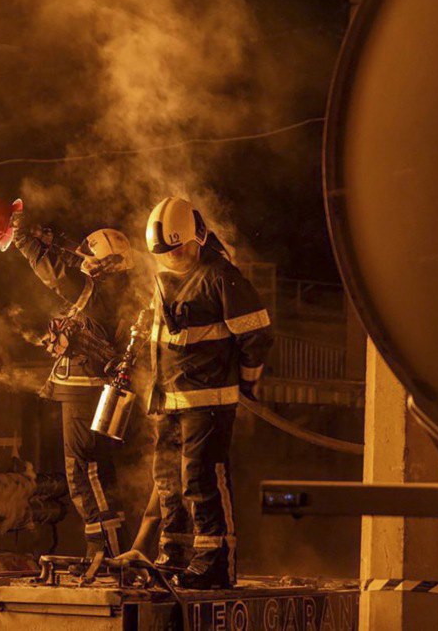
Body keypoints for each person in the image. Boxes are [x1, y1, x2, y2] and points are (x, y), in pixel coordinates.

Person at [143, 197, 273, 589]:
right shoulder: (164, 279)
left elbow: (257, 334)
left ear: (196, 237)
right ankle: (175, 552)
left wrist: (248, 381)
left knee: (201, 478)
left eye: (178, 248)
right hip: (170, 399)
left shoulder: (220, 276)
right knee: (167, 478)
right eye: (165, 253)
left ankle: (215, 560)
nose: (173, 257)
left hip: (209, 401)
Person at [11, 214, 135, 558]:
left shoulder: (98, 293)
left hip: (85, 393)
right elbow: (70, 266)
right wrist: (52, 238)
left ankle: (105, 556)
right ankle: (108, 552)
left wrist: (26, 242)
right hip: (92, 392)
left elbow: (57, 276)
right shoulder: (115, 290)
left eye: (89, 259)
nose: (83, 263)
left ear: (104, 264)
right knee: (96, 474)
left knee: (84, 471)